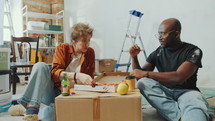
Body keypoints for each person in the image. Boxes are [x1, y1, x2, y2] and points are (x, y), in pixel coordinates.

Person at [129, 18, 210, 121]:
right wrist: (134, 57)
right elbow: (139, 75)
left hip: (187, 92)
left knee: (195, 103)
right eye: (159, 34)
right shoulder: (158, 52)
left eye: (163, 34)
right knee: (143, 83)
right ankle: (180, 117)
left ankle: (176, 112)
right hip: (164, 93)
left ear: (176, 34)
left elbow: (179, 77)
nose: (160, 37)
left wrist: (146, 74)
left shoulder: (193, 51)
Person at [17, 23, 95, 121]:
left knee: (50, 116)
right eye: (84, 41)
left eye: (89, 41)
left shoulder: (90, 53)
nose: (87, 44)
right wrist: (77, 76)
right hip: (54, 90)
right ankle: (31, 110)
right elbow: (55, 72)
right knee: (40, 66)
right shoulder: (62, 48)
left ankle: (47, 107)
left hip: (72, 93)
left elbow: (89, 78)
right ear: (74, 40)